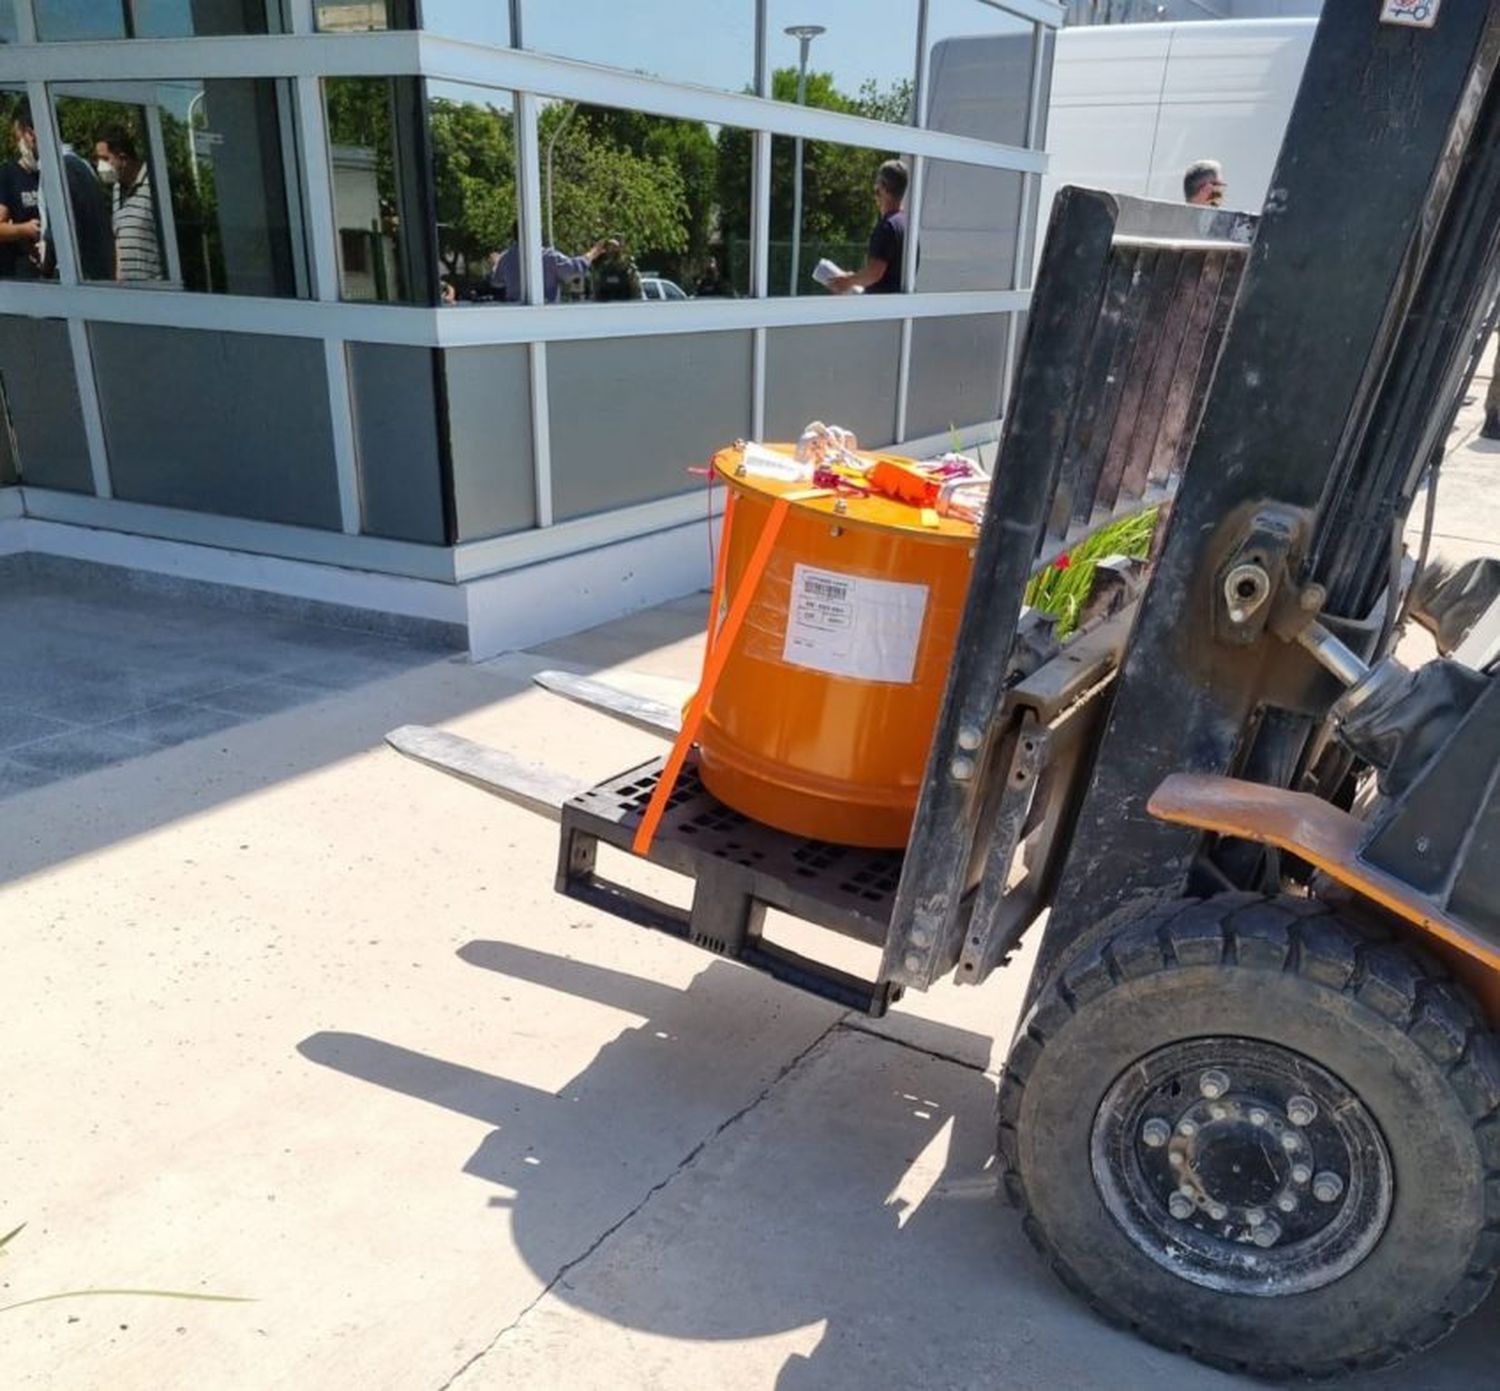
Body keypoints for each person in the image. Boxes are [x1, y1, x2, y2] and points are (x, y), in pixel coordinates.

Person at [8, 101, 113, 280]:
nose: (20, 146)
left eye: (19, 138)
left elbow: (56, 234)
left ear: (30, 134)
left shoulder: (56, 170)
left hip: (71, 279)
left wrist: (45, 267)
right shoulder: (83, 166)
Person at [830, 159, 907, 295]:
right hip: (900, 309)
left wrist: (847, 281)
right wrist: (854, 278)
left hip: (882, 310)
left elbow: (874, 273)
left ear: (883, 189)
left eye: (876, 187)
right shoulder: (908, 225)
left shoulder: (887, 227)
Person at [96, 127, 164, 282]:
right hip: (128, 292)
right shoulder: (117, 189)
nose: (101, 165)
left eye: (105, 159)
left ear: (123, 158)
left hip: (155, 289)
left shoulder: (154, 184)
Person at [489, 226, 615, 304]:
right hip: (543, 318)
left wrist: (497, 263)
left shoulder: (506, 258)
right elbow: (573, 269)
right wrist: (594, 252)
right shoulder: (548, 257)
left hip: (516, 319)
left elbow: (496, 281)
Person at [0, 100, 42, 280]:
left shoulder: (49, 174)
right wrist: (25, 230)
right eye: (18, 138)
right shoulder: (8, 175)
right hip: (20, 273)